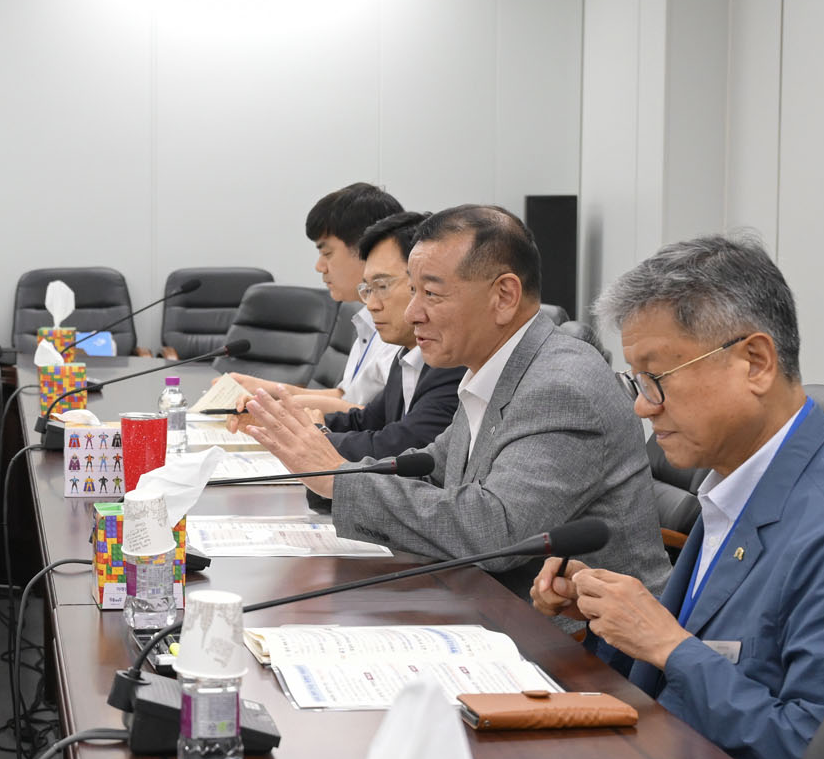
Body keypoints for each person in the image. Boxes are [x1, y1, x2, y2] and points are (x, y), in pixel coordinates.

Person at [530, 235, 824, 759]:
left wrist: (668, 644)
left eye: (656, 379)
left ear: (755, 363)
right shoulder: (735, 483)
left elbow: (814, 758)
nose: (641, 406)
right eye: (636, 380)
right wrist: (605, 620)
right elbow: (694, 662)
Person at [239, 204, 666, 596]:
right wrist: (325, 474)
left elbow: (497, 529)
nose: (413, 313)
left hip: (579, 639)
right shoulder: (494, 369)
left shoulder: (560, 385)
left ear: (504, 296)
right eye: (413, 291)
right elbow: (432, 472)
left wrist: (338, 479)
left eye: (432, 294)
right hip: (489, 603)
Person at [226, 182, 404, 414]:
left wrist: (278, 406)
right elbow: (345, 396)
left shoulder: (402, 330)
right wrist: (267, 390)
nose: (319, 266)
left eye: (326, 253)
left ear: (368, 249)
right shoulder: (367, 319)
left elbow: (378, 420)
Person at [310, 211, 463, 460]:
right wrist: (301, 423)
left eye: (382, 286)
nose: (371, 305)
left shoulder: (454, 361)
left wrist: (316, 435)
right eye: (367, 289)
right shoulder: (407, 355)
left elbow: (402, 445)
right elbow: (366, 420)